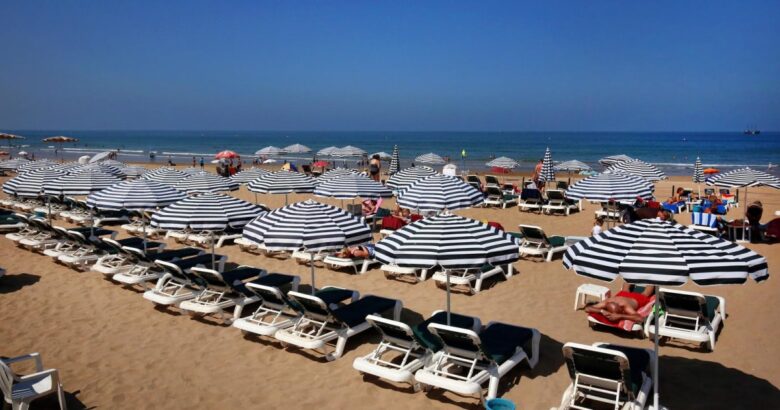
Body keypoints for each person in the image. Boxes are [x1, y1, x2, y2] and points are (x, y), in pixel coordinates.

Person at [584, 283, 655, 323]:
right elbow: (587, 308)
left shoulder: (624, 305)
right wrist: (602, 311)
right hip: (637, 298)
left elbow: (639, 318)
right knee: (645, 293)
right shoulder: (607, 302)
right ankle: (652, 276)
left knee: (625, 288)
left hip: (624, 296)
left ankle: (631, 274)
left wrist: (620, 316)